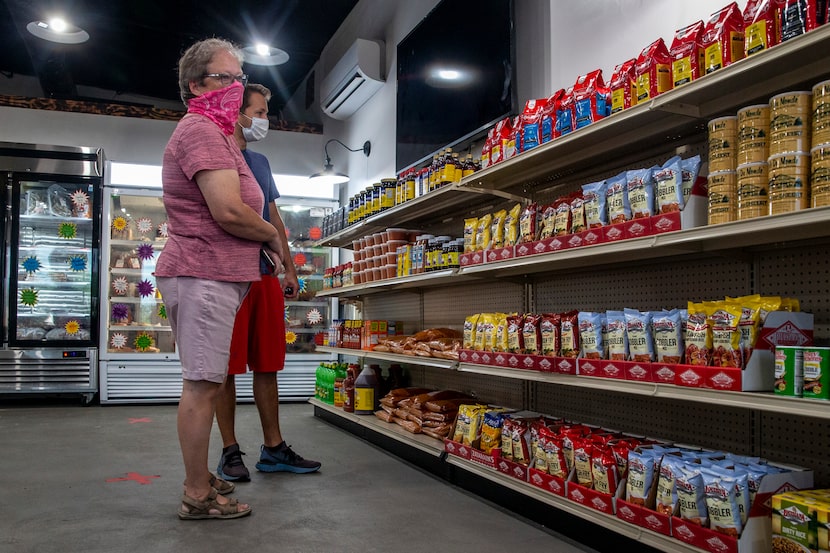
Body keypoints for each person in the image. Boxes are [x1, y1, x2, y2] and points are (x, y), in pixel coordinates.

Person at [155, 38, 285, 520]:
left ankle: (200, 476)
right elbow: (229, 210)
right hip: (203, 272)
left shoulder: (215, 132)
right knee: (203, 385)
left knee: (206, 381)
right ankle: (196, 493)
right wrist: (271, 236)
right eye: (224, 79)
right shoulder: (203, 132)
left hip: (212, 274)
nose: (235, 88)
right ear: (196, 86)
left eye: (239, 79)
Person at [214, 83, 321, 481]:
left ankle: (273, 448)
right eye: (257, 112)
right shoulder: (217, 155)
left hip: (263, 276)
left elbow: (273, 218)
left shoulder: (259, 161)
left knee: (267, 364)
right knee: (225, 369)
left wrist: (289, 268)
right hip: (227, 277)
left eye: (264, 113)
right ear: (236, 112)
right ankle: (229, 451)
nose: (264, 121)